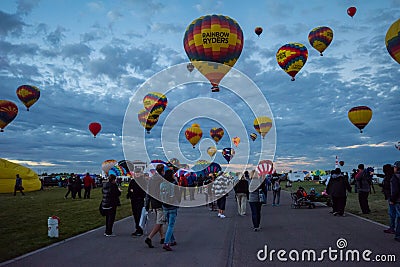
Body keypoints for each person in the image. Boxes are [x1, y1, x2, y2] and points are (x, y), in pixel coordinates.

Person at [144, 164, 166, 248]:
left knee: (158, 220)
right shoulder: (162, 180)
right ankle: (149, 238)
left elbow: (148, 192)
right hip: (160, 202)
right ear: (162, 170)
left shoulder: (152, 179)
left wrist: (147, 204)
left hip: (153, 203)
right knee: (160, 221)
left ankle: (162, 237)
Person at [160, 169, 180, 251]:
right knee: (171, 225)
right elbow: (178, 194)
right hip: (172, 205)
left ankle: (172, 240)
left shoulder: (162, 184)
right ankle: (166, 242)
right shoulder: (174, 183)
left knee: (169, 224)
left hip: (165, 205)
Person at [127, 172, 147, 237]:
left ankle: (140, 229)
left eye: (138, 173)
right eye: (136, 173)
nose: (137, 174)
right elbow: (129, 189)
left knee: (139, 215)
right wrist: (131, 192)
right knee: (135, 214)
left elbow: (142, 191)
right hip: (133, 199)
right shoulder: (133, 181)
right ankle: (137, 228)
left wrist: (134, 190)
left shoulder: (142, 181)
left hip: (139, 200)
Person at [381, 164, 395, 234]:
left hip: (391, 196)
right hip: (391, 195)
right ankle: (393, 227)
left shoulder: (390, 177)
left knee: (392, 212)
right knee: (393, 212)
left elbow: (390, 186)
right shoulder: (391, 175)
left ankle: (392, 228)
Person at [390, 161, 400, 242]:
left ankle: (398, 235)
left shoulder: (395, 177)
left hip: (398, 200)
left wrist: (392, 200)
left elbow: (395, 190)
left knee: (399, 218)